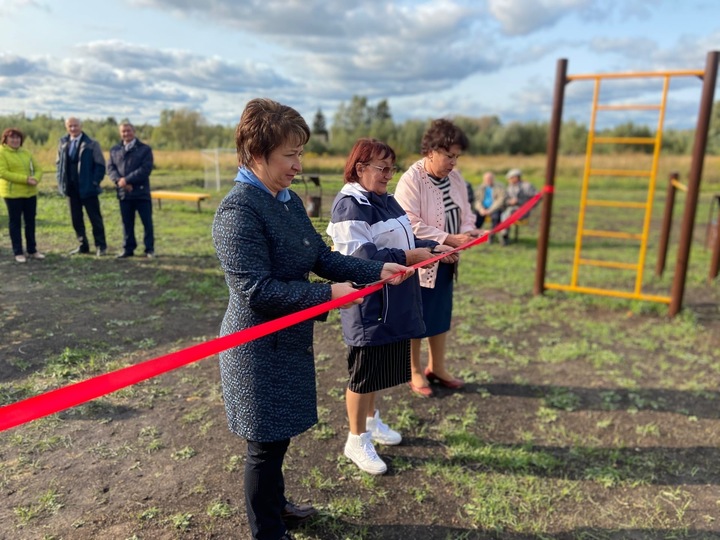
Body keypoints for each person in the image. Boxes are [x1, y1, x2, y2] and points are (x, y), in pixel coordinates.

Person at [212, 98, 413, 540]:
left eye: (300, 154)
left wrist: (375, 270)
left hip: (286, 342)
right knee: (263, 446)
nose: (298, 165)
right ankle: (267, 530)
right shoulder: (238, 209)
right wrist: (326, 295)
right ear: (257, 155)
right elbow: (256, 290)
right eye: (290, 155)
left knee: (277, 439)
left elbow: (320, 255)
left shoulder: (286, 201)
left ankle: (277, 507)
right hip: (256, 348)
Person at [327, 138, 457, 475]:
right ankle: (356, 440)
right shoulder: (349, 205)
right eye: (382, 168)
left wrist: (441, 245)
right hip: (367, 307)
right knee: (363, 374)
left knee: (379, 372)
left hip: (393, 301)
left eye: (391, 168)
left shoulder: (385, 200)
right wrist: (409, 257)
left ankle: (370, 422)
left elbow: (408, 241)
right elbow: (360, 257)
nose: (389, 174)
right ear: (360, 168)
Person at [394, 119, 483, 398]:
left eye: (457, 156)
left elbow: (465, 212)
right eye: (449, 155)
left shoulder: (456, 179)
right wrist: (447, 239)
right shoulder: (412, 179)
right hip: (422, 261)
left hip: (448, 260)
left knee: (441, 314)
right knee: (418, 318)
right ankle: (415, 370)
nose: (453, 162)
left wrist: (470, 232)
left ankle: (437, 367)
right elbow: (408, 221)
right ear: (431, 150)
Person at [56, 117, 108, 256]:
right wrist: (61, 182)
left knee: (95, 218)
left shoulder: (91, 144)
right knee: (76, 219)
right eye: (70, 126)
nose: (73, 128)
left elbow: (100, 165)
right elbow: (59, 164)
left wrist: (94, 182)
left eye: (76, 126)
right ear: (67, 127)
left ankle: (100, 246)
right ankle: (82, 245)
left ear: (81, 126)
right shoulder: (63, 143)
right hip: (71, 189)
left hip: (88, 188)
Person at [107, 122, 155, 258]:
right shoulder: (115, 150)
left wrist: (127, 180)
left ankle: (149, 249)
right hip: (124, 193)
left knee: (147, 223)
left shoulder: (145, 149)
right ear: (120, 133)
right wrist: (119, 181)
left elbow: (145, 169)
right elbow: (110, 168)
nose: (126, 133)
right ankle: (128, 249)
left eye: (128, 131)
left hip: (141, 193)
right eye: (123, 131)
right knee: (127, 223)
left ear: (134, 131)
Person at [0, 128, 44, 263]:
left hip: (30, 193)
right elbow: (3, 172)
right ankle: (18, 252)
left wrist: (36, 178)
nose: (15, 140)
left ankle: (32, 249)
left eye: (18, 138)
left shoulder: (26, 152)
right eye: (12, 138)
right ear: (6, 140)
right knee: (15, 223)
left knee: (30, 221)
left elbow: (38, 169)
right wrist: (25, 179)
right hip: (12, 194)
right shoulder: (2, 152)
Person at [500, 168, 537, 246]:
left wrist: (520, 201)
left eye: (510, 178)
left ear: (516, 177)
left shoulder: (527, 186)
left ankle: (504, 234)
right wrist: (509, 202)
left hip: (523, 211)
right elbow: (505, 199)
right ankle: (504, 234)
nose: (509, 180)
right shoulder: (509, 187)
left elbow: (536, 198)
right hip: (511, 210)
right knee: (504, 213)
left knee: (508, 213)